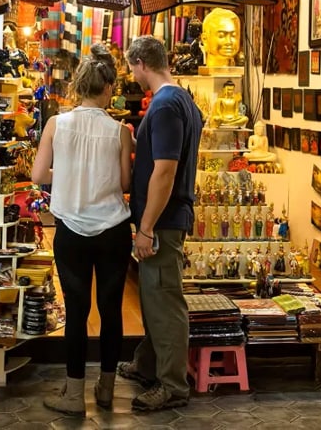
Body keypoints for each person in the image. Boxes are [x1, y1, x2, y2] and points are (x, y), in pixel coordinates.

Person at [32, 43, 134, 416]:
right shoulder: (120, 131)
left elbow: (39, 175)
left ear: (78, 86)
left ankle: (74, 395)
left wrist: (69, 176)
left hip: (71, 230)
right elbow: (124, 180)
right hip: (112, 230)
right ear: (107, 88)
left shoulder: (57, 124)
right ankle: (106, 388)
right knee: (110, 310)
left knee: (76, 311)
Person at [119, 36, 202, 411]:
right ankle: (149, 364)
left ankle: (172, 384)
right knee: (154, 296)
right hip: (165, 216)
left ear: (140, 63)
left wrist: (147, 227)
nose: (130, 74)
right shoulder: (180, 98)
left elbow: (165, 171)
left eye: (130, 67)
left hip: (163, 220)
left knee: (165, 298)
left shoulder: (166, 104)